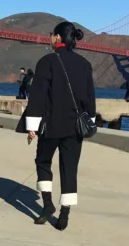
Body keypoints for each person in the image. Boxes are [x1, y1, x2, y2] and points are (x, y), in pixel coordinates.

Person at [22, 21, 96, 231]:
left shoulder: (47, 61)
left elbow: (37, 97)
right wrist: (89, 119)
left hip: (51, 125)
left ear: (58, 38)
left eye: (51, 35)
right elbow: (90, 98)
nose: (49, 38)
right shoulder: (85, 64)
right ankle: (64, 216)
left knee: (43, 161)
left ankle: (47, 204)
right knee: (69, 169)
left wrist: (32, 125)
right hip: (75, 127)